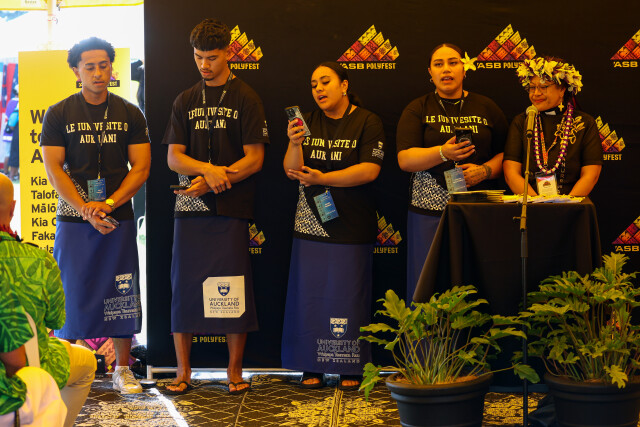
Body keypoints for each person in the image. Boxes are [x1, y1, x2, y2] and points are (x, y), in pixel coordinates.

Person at [162, 18, 268, 395]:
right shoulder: (185, 99)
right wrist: (206, 170)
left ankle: (234, 371)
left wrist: (217, 179)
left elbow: (255, 159)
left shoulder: (246, 97)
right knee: (184, 288)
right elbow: (174, 157)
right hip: (190, 205)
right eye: (198, 57)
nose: (204, 65)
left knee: (232, 287)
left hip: (230, 205)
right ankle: (183, 372)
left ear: (228, 53)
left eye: (211, 57)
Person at [40, 37, 151, 394]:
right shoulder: (59, 113)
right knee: (71, 291)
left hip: (117, 216)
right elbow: (54, 169)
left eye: (104, 65)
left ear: (112, 68)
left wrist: (111, 202)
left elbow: (141, 167)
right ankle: (68, 368)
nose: (98, 73)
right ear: (76, 71)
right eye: (90, 67)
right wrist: (84, 208)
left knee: (121, 290)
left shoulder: (130, 113)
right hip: (74, 218)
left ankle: (123, 368)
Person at [282, 61, 385, 390]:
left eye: (325, 82)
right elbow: (291, 171)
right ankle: (310, 365)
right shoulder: (306, 122)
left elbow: (370, 170)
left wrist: (324, 178)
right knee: (309, 296)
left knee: (347, 296)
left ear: (344, 85)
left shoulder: (367, 120)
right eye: (314, 85)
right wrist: (294, 144)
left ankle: (349, 366)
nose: (319, 89)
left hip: (353, 223)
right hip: (311, 222)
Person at [396, 43, 508, 301]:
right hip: (429, 212)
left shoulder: (486, 106)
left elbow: (509, 155)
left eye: (453, 62)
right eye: (439, 64)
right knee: (428, 284)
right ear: (430, 72)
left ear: (464, 69)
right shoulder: (418, 108)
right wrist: (443, 153)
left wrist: (485, 170)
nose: (446, 69)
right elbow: (405, 160)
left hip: (478, 210)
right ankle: (428, 331)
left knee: (475, 284)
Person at [0, 173, 96, 426]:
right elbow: (56, 320)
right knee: (87, 361)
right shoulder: (38, 259)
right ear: (13, 208)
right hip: (21, 377)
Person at [503, 56, 602, 196]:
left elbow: (591, 174)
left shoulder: (584, 122)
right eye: (532, 87)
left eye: (543, 87)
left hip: (572, 204)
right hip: (530, 203)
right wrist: (536, 204)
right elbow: (511, 172)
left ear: (562, 89)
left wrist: (566, 205)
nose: (536, 93)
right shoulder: (522, 121)